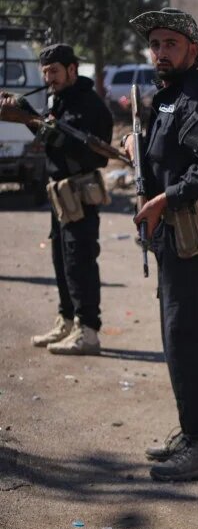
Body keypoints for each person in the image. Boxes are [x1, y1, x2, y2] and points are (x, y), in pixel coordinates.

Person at [124, 8, 198, 482]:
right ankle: (191, 433)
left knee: (188, 337)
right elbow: (166, 157)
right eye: (156, 44)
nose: (161, 52)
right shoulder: (166, 97)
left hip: (194, 236)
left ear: (192, 50)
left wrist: (165, 198)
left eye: (171, 43)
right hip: (172, 237)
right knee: (176, 337)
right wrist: (135, 148)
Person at [5, 44, 113, 355]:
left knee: (80, 262)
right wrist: (26, 115)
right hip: (59, 193)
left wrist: (32, 120)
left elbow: (88, 151)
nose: (49, 78)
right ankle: (67, 320)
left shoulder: (89, 105)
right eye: (46, 73)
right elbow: (51, 136)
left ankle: (88, 331)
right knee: (62, 261)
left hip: (80, 192)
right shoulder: (62, 101)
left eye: (54, 71)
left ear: (72, 69)